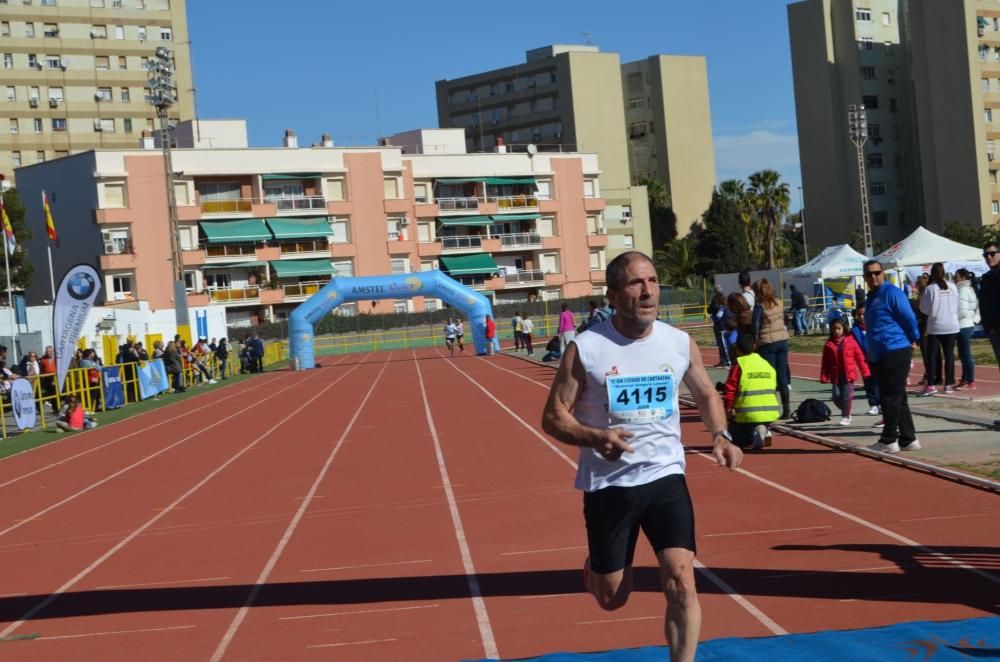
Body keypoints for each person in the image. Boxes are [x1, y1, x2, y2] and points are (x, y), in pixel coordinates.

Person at [541, 251, 741, 662]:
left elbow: (705, 391)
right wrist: (595, 436)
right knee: (613, 597)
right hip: (609, 484)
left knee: (682, 580)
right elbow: (552, 416)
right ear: (614, 295)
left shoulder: (677, 342)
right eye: (636, 283)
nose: (648, 291)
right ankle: (596, 570)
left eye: (652, 281)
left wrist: (720, 434)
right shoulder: (587, 349)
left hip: (665, 475)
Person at [863, 259, 921, 453]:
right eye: (869, 274)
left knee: (889, 396)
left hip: (895, 349)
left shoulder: (892, 293)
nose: (873, 277)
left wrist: (915, 338)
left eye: (876, 272)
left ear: (883, 273)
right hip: (880, 351)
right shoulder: (871, 296)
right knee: (898, 396)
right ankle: (908, 438)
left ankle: (889, 439)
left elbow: (909, 317)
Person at [721, 332, 779, 450]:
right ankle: (765, 430)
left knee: (737, 441)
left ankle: (753, 435)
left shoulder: (740, 365)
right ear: (754, 347)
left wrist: (728, 408)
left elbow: (730, 390)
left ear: (737, 349)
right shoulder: (766, 364)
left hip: (746, 413)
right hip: (770, 412)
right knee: (754, 422)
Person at [751, 278, 791, 419]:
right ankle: (787, 409)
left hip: (767, 343)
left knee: (770, 377)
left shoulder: (759, 307)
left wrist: (754, 341)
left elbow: (755, 326)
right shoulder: (779, 303)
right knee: (782, 377)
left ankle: (772, 409)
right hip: (782, 340)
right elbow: (785, 319)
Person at [918, 262, 959, 396]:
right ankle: (948, 384)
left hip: (936, 326)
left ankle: (931, 384)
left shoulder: (931, 289)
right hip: (951, 325)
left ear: (933, 274)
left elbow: (923, 309)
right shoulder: (953, 287)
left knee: (932, 356)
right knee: (949, 355)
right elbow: (957, 304)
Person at [820, 318, 870, 426]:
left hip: (848, 375)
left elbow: (860, 357)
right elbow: (825, 362)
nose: (836, 331)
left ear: (844, 329)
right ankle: (846, 409)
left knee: (847, 396)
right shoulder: (828, 344)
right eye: (834, 329)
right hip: (836, 375)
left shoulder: (851, 341)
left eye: (838, 328)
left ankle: (846, 416)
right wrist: (824, 375)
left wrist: (865, 371)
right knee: (836, 397)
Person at [852, 305, 881, 418]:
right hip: (863, 359)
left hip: (877, 357)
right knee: (868, 382)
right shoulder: (855, 329)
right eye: (860, 315)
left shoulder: (875, 325)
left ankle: (881, 403)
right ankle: (873, 404)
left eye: (864, 314)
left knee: (879, 381)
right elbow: (854, 344)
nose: (862, 317)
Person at [954, 268, 979, 390]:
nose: (954, 278)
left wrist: (953, 319)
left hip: (963, 325)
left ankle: (971, 380)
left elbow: (962, 311)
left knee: (965, 354)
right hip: (967, 324)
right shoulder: (970, 288)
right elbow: (976, 306)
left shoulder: (962, 290)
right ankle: (965, 378)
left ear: (963, 277)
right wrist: (975, 320)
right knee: (963, 354)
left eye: (956, 276)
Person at [979, 241, 1000, 366]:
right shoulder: (986, 277)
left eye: (992, 254)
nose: (989, 257)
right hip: (993, 329)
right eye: (985, 255)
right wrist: (988, 326)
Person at [707, 293, 732, 367]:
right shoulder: (725, 307)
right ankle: (723, 360)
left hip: (722, 329)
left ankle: (728, 361)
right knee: (721, 346)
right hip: (722, 329)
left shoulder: (722, 308)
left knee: (724, 346)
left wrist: (711, 317)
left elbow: (718, 317)